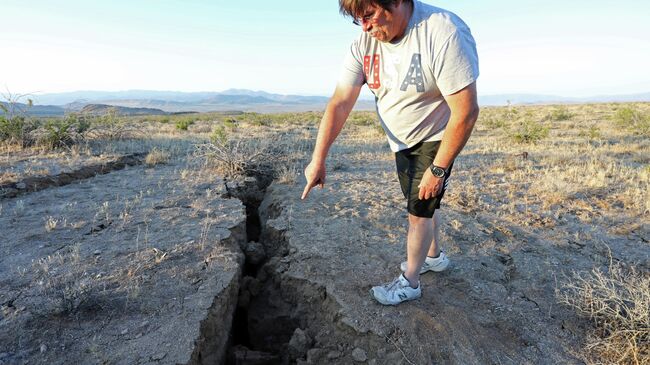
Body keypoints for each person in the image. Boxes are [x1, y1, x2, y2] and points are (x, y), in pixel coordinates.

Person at [301, 0, 479, 305]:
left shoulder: (442, 32)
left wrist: (437, 170)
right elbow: (340, 102)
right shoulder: (364, 43)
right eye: (359, 21)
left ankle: (410, 281)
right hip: (401, 140)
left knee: (418, 212)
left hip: (436, 134)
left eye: (369, 16)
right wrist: (318, 159)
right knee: (422, 203)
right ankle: (433, 257)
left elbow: (465, 111)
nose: (366, 28)